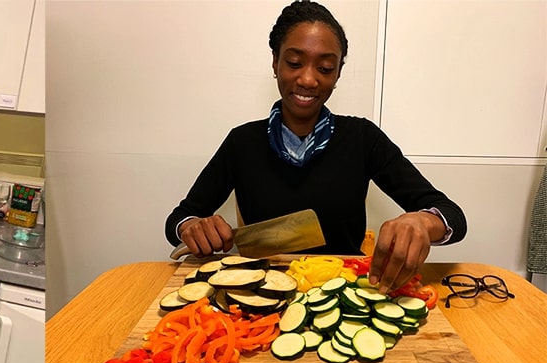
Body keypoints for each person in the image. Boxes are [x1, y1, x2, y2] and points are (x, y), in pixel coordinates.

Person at [165, 0, 466, 294]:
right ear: (275, 63)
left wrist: (422, 222)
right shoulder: (242, 142)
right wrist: (191, 226)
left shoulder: (362, 138)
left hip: (342, 294)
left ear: (337, 75)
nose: (308, 79)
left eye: (324, 68)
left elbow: (452, 215)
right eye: (294, 63)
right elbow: (179, 218)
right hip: (262, 294)